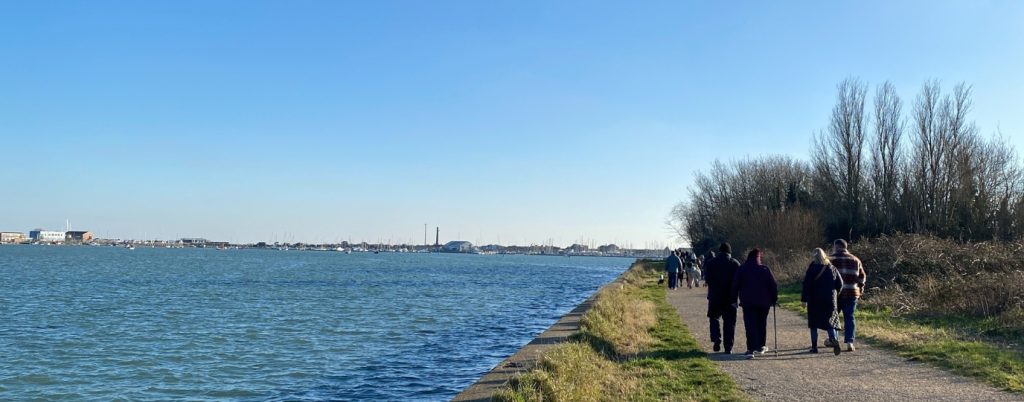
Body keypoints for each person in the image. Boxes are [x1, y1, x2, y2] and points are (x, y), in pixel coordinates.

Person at [731, 248, 778, 359]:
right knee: (761, 323)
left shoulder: (742, 269)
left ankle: (751, 349)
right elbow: (773, 285)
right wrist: (774, 299)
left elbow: (735, 286)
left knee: (750, 325)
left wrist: (734, 300)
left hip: (748, 302)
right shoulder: (765, 269)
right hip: (764, 302)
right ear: (758, 257)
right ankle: (761, 346)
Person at [801, 248, 843, 355]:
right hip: (830, 299)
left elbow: (806, 284)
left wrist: (804, 300)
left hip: (814, 299)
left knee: (813, 324)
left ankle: (814, 347)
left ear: (814, 256)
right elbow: (840, 283)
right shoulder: (832, 268)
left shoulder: (812, 268)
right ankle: (833, 339)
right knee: (830, 322)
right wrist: (836, 293)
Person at [831, 239, 866, 352]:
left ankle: (834, 338)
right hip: (852, 292)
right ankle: (850, 342)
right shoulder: (855, 259)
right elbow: (862, 277)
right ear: (845, 247)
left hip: (835, 294)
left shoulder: (830, 259)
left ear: (836, 246)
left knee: (833, 317)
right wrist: (860, 289)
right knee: (849, 317)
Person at [704, 243, 740, 353]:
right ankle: (728, 347)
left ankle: (716, 337)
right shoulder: (735, 263)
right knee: (729, 323)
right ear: (729, 252)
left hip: (715, 296)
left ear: (719, 251)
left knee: (714, 318)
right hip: (730, 298)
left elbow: (707, 279)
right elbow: (739, 281)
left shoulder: (711, 263)